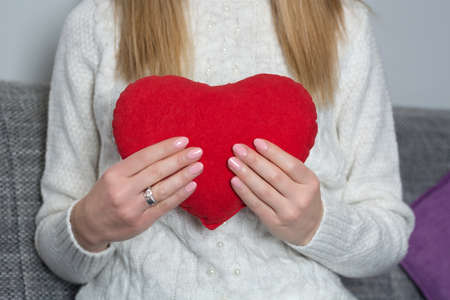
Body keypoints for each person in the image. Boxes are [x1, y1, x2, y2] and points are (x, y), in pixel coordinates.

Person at [34, 0, 416, 299]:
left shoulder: (343, 26)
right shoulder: (96, 23)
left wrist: (317, 225)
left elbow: (390, 235)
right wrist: (88, 226)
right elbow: (57, 245)